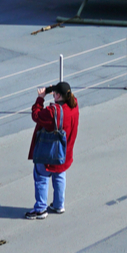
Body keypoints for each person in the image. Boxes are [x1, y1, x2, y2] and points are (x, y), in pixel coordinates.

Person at [24, 82, 79, 219]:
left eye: (54, 93)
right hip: (65, 152)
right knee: (59, 176)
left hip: (50, 152)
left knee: (41, 177)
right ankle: (59, 205)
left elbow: (36, 115)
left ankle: (41, 209)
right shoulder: (74, 105)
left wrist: (41, 98)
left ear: (59, 95)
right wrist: (52, 89)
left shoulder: (53, 112)